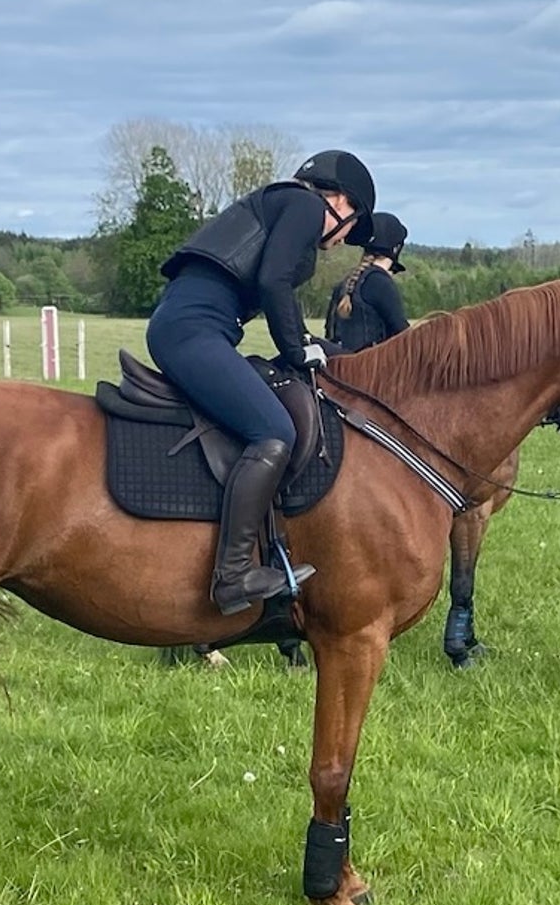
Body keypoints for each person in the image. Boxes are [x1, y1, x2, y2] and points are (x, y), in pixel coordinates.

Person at [147, 149, 376, 614]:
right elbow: (274, 282)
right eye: (353, 224)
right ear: (340, 201)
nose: (347, 237)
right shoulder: (307, 206)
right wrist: (296, 351)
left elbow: (279, 296)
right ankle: (232, 576)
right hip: (194, 329)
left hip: (193, 325)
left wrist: (314, 345)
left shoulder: (280, 204)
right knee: (275, 431)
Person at [325, 211, 410, 350]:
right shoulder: (380, 283)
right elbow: (403, 333)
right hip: (370, 368)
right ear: (396, 248)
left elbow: (330, 332)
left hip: (337, 365)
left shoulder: (346, 282)